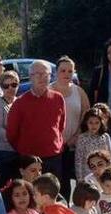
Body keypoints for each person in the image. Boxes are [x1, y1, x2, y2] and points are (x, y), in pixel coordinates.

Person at [7, 60, 67, 199]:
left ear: (50, 76)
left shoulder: (58, 98)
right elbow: (11, 133)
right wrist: (24, 150)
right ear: (30, 77)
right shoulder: (20, 103)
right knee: (31, 197)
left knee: (53, 196)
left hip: (53, 157)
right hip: (29, 160)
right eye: (37, 74)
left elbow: (61, 126)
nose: (42, 77)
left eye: (45, 74)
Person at [51, 56, 90, 190]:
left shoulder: (79, 91)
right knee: (57, 182)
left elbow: (86, 116)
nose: (67, 74)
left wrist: (76, 137)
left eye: (70, 71)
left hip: (75, 144)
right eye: (63, 71)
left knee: (75, 183)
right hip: (53, 147)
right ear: (56, 72)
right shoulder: (48, 91)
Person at [0, 70, 20, 182]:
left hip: (19, 151)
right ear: (1, 87)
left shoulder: (19, 102)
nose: (10, 88)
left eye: (14, 85)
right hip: (4, 153)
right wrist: (16, 140)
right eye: (6, 86)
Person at [74, 108, 111, 180]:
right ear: (86, 123)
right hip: (87, 175)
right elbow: (78, 161)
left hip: (103, 175)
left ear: (101, 123)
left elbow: (110, 158)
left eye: (97, 122)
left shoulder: (105, 137)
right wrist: (80, 180)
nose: (94, 126)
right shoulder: (82, 138)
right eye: (90, 123)